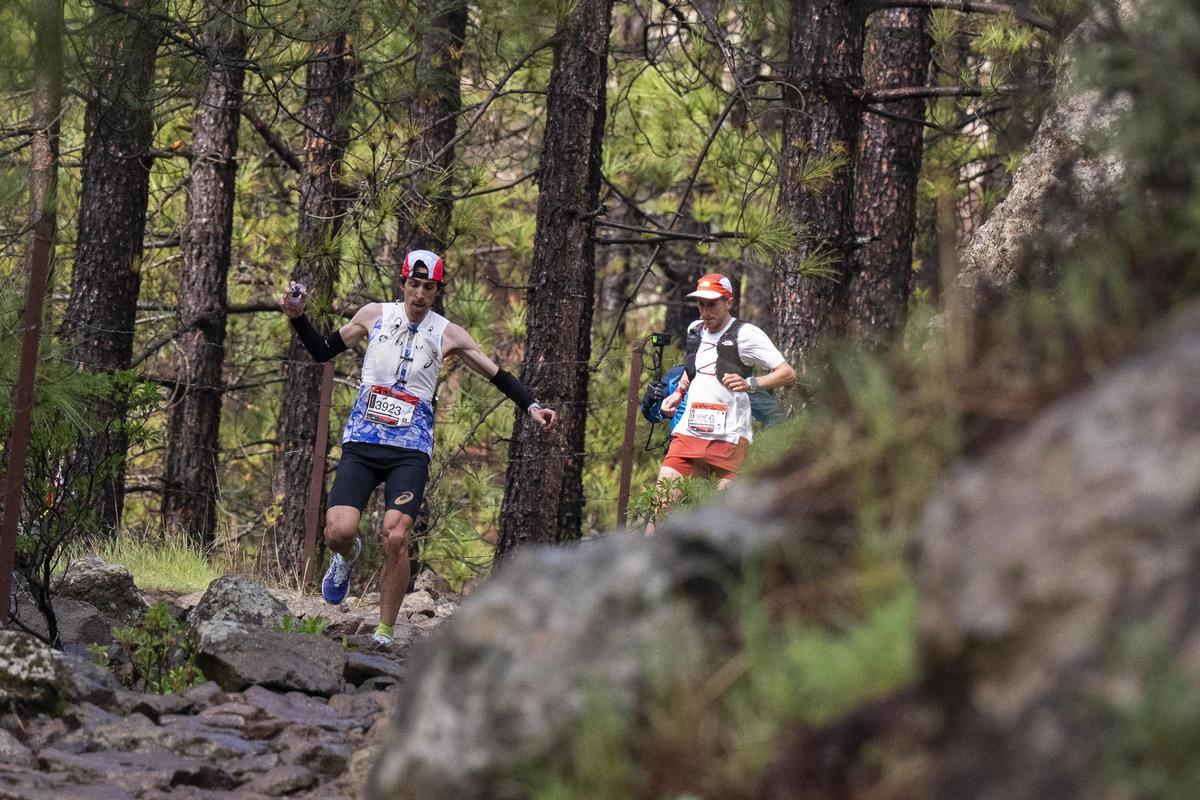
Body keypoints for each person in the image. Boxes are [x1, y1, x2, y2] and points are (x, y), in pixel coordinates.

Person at [279, 249, 558, 646]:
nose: (420, 295)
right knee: (338, 531)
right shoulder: (374, 315)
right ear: (403, 283)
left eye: (429, 287)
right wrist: (298, 317)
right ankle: (345, 555)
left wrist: (531, 405)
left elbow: (497, 374)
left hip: (410, 450)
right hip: (362, 442)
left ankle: (384, 630)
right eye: (415, 284)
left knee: (396, 535)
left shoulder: (448, 333)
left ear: (437, 291)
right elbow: (323, 350)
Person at [647, 273, 795, 528]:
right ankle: (645, 566)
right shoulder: (695, 330)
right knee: (659, 510)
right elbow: (693, 367)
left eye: (712, 303)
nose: (706, 311)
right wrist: (678, 393)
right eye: (701, 304)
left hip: (728, 440)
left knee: (719, 524)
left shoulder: (746, 334)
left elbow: (787, 373)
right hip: (688, 435)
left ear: (729, 302)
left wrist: (751, 383)